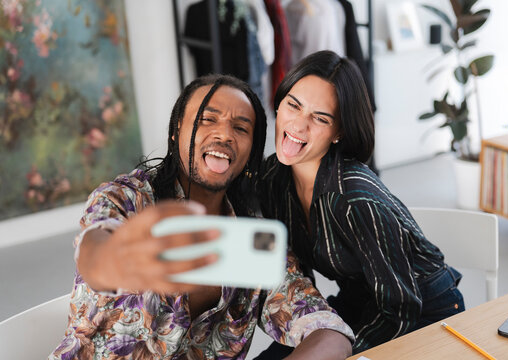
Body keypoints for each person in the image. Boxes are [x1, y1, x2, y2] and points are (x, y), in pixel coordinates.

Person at [49, 74, 354, 360]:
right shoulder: (127, 199)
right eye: (208, 119)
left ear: (250, 151)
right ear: (175, 130)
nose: (224, 134)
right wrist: (120, 258)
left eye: (241, 128)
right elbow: (93, 255)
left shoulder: (252, 239)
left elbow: (329, 333)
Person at [257, 50, 465, 355]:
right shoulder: (272, 177)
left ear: (338, 132)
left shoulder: (355, 198)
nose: (298, 126)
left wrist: (347, 353)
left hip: (423, 313)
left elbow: (401, 305)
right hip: (361, 302)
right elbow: (297, 282)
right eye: (293, 105)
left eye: (320, 118)